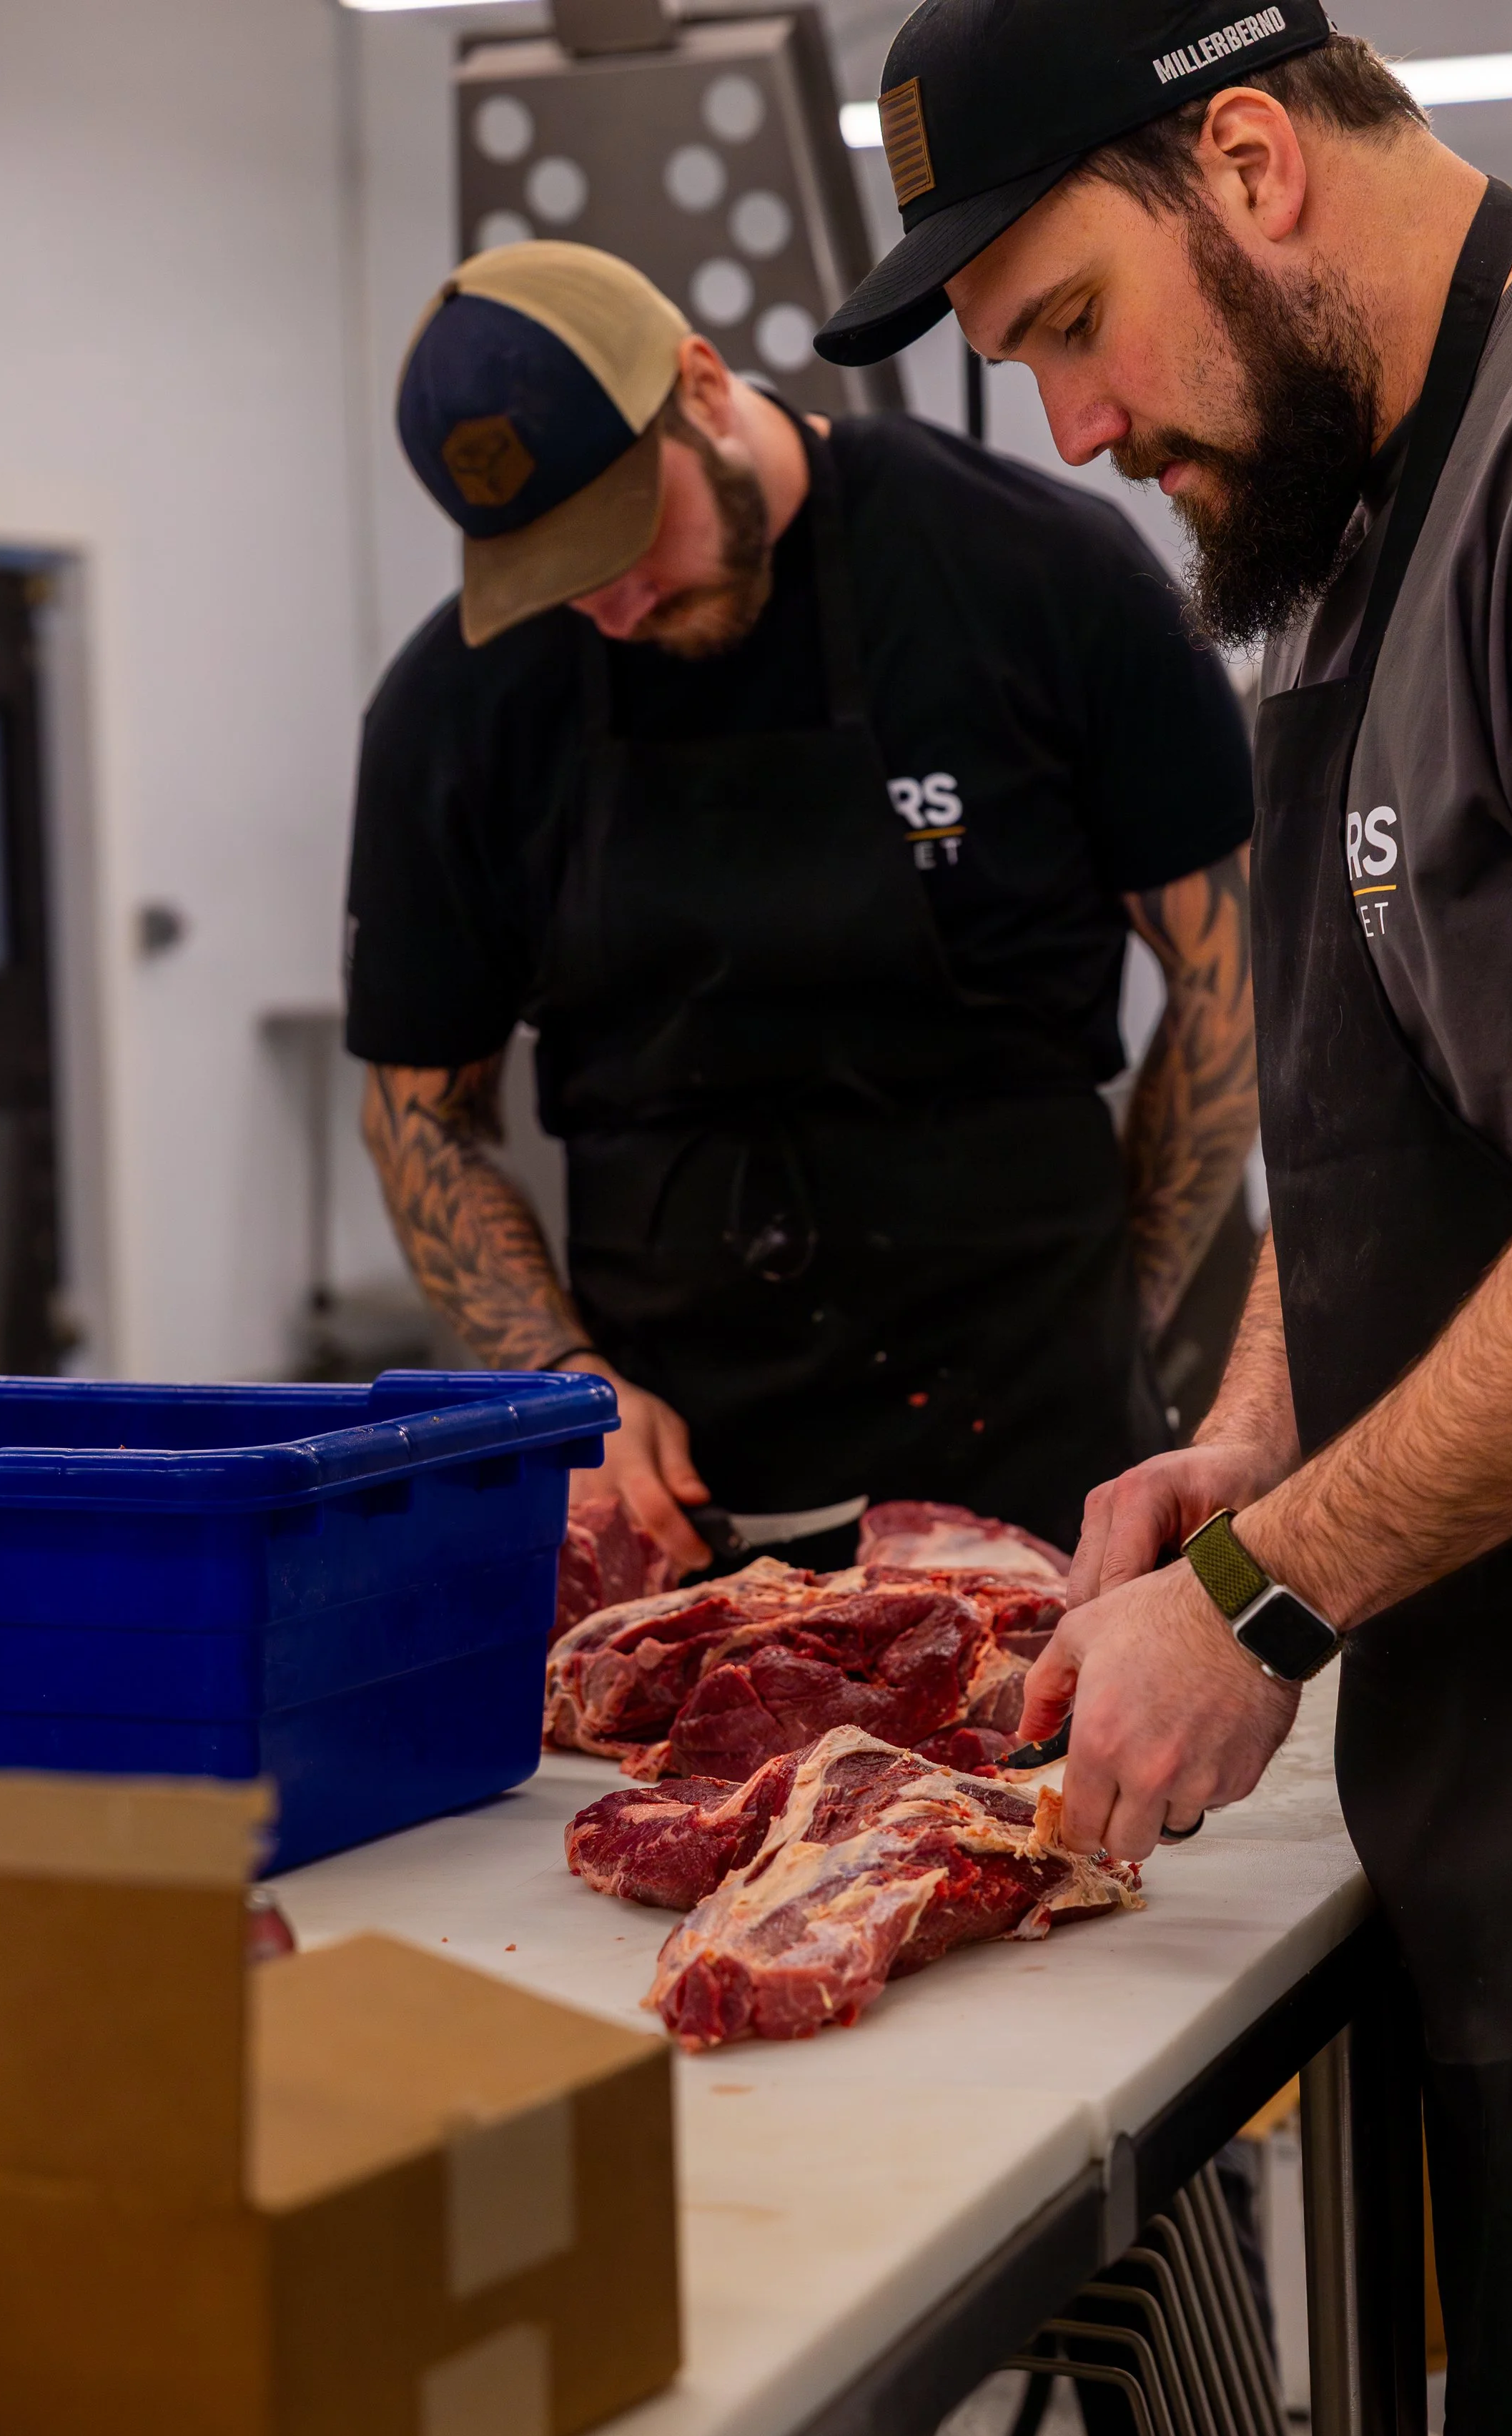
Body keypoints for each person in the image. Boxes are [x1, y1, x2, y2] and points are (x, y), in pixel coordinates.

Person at [819, 0, 1512, 2436]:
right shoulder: (1335, 526)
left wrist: (1277, 1594)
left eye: (1074, 321)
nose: (1070, 429)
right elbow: (1389, 1105)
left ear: (1244, 165)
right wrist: (1249, 1444)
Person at [345, 241, 1255, 1574]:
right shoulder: (457, 708)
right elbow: (418, 1115)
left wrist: (1124, 1307)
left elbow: (1235, 987)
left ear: (702, 385)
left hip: (1036, 1470)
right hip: (676, 1506)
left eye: (626, 533)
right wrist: (558, 1381)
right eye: (555, 572)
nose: (612, 601)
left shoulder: (1042, 578)